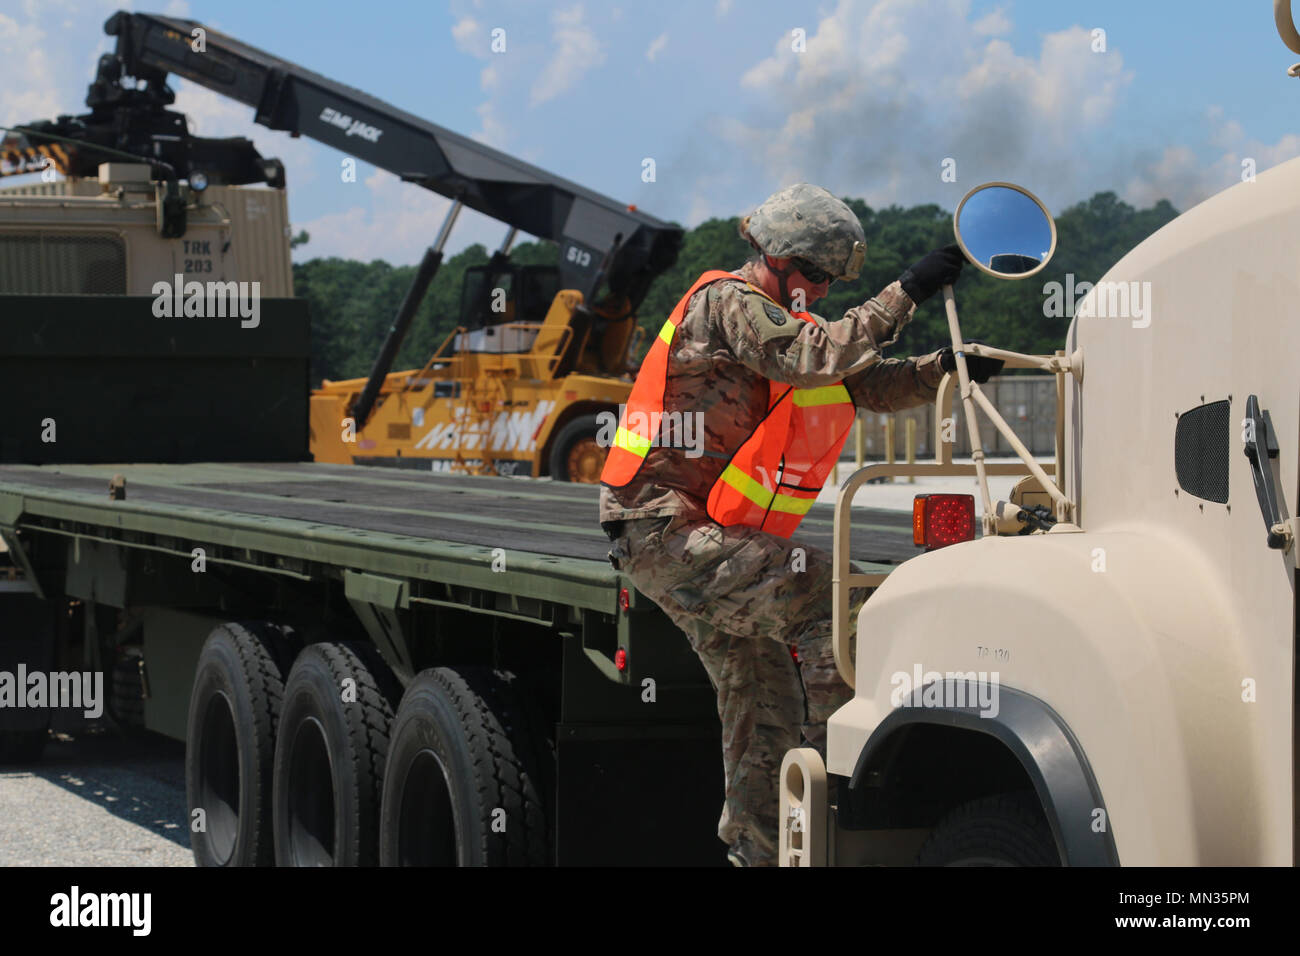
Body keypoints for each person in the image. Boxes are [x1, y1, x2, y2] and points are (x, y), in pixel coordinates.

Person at [598, 183, 1002, 866]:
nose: (817, 290)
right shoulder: (728, 303)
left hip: (685, 533)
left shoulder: (775, 329)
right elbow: (822, 356)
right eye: (814, 274)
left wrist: (946, 369)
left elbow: (858, 383)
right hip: (662, 528)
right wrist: (907, 291)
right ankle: (851, 775)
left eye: (826, 280)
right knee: (824, 594)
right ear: (778, 257)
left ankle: (760, 851)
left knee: (763, 703)